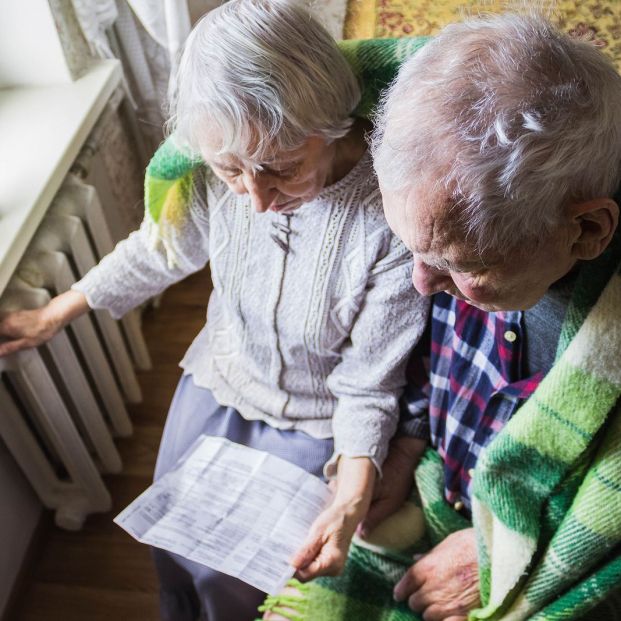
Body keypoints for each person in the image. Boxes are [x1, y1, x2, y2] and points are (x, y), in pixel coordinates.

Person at [0, 2, 428, 620]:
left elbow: (368, 379)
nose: (254, 200)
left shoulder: (391, 217)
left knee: (241, 582)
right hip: (221, 383)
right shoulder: (208, 176)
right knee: (175, 550)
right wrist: (51, 315)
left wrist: (353, 494)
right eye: (232, 171)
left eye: (281, 168)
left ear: (333, 123)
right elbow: (158, 250)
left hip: (317, 423)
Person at [262, 13, 621, 621]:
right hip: (432, 483)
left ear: (585, 230)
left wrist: (492, 552)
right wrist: (402, 447)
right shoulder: (454, 226)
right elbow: (424, 357)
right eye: (412, 250)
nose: (421, 283)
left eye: (460, 265)